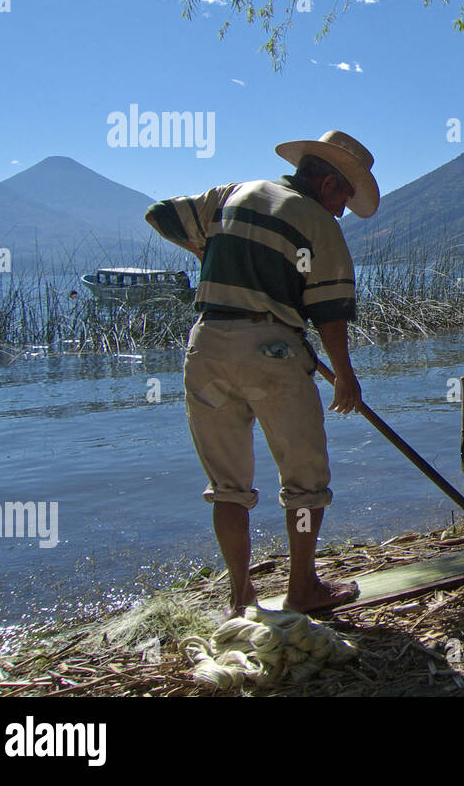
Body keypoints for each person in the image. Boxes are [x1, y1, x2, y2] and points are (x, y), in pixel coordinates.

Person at [145, 130, 380, 617]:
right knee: (305, 480)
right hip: (271, 353)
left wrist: (209, 251)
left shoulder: (233, 193)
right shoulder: (319, 223)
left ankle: (241, 596)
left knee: (227, 486)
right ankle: (302, 590)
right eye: (344, 196)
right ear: (329, 182)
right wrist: (345, 377)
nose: (343, 209)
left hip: (206, 346)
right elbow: (329, 311)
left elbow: (161, 214)